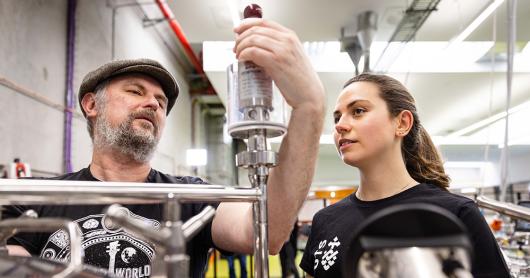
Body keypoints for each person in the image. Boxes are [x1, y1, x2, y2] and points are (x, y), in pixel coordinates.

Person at [4, 18, 325, 278]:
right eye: (135, 91)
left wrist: (309, 107)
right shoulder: (40, 197)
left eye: (160, 102)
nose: (153, 104)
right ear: (91, 104)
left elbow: (268, 229)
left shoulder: (191, 199)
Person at [299, 74, 510, 278]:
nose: (340, 125)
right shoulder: (326, 220)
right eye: (337, 117)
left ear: (402, 123)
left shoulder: (456, 214)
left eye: (358, 111)